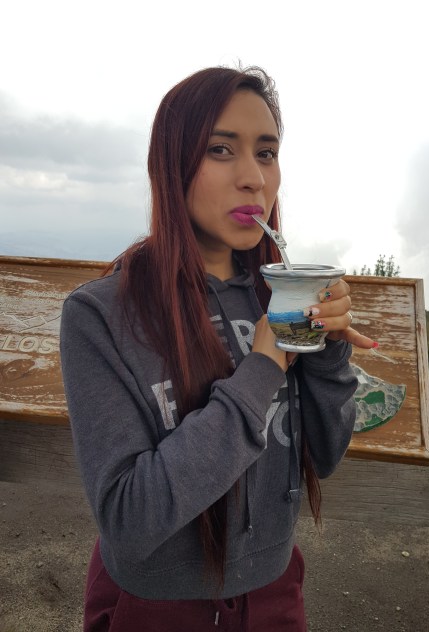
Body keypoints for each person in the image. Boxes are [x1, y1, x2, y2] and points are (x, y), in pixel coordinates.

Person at [60, 66, 376, 632]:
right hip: (151, 607)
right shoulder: (101, 316)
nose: (254, 179)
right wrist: (263, 366)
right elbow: (127, 520)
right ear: (172, 164)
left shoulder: (279, 299)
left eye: (267, 153)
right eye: (221, 149)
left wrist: (328, 352)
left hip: (274, 594)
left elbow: (324, 456)